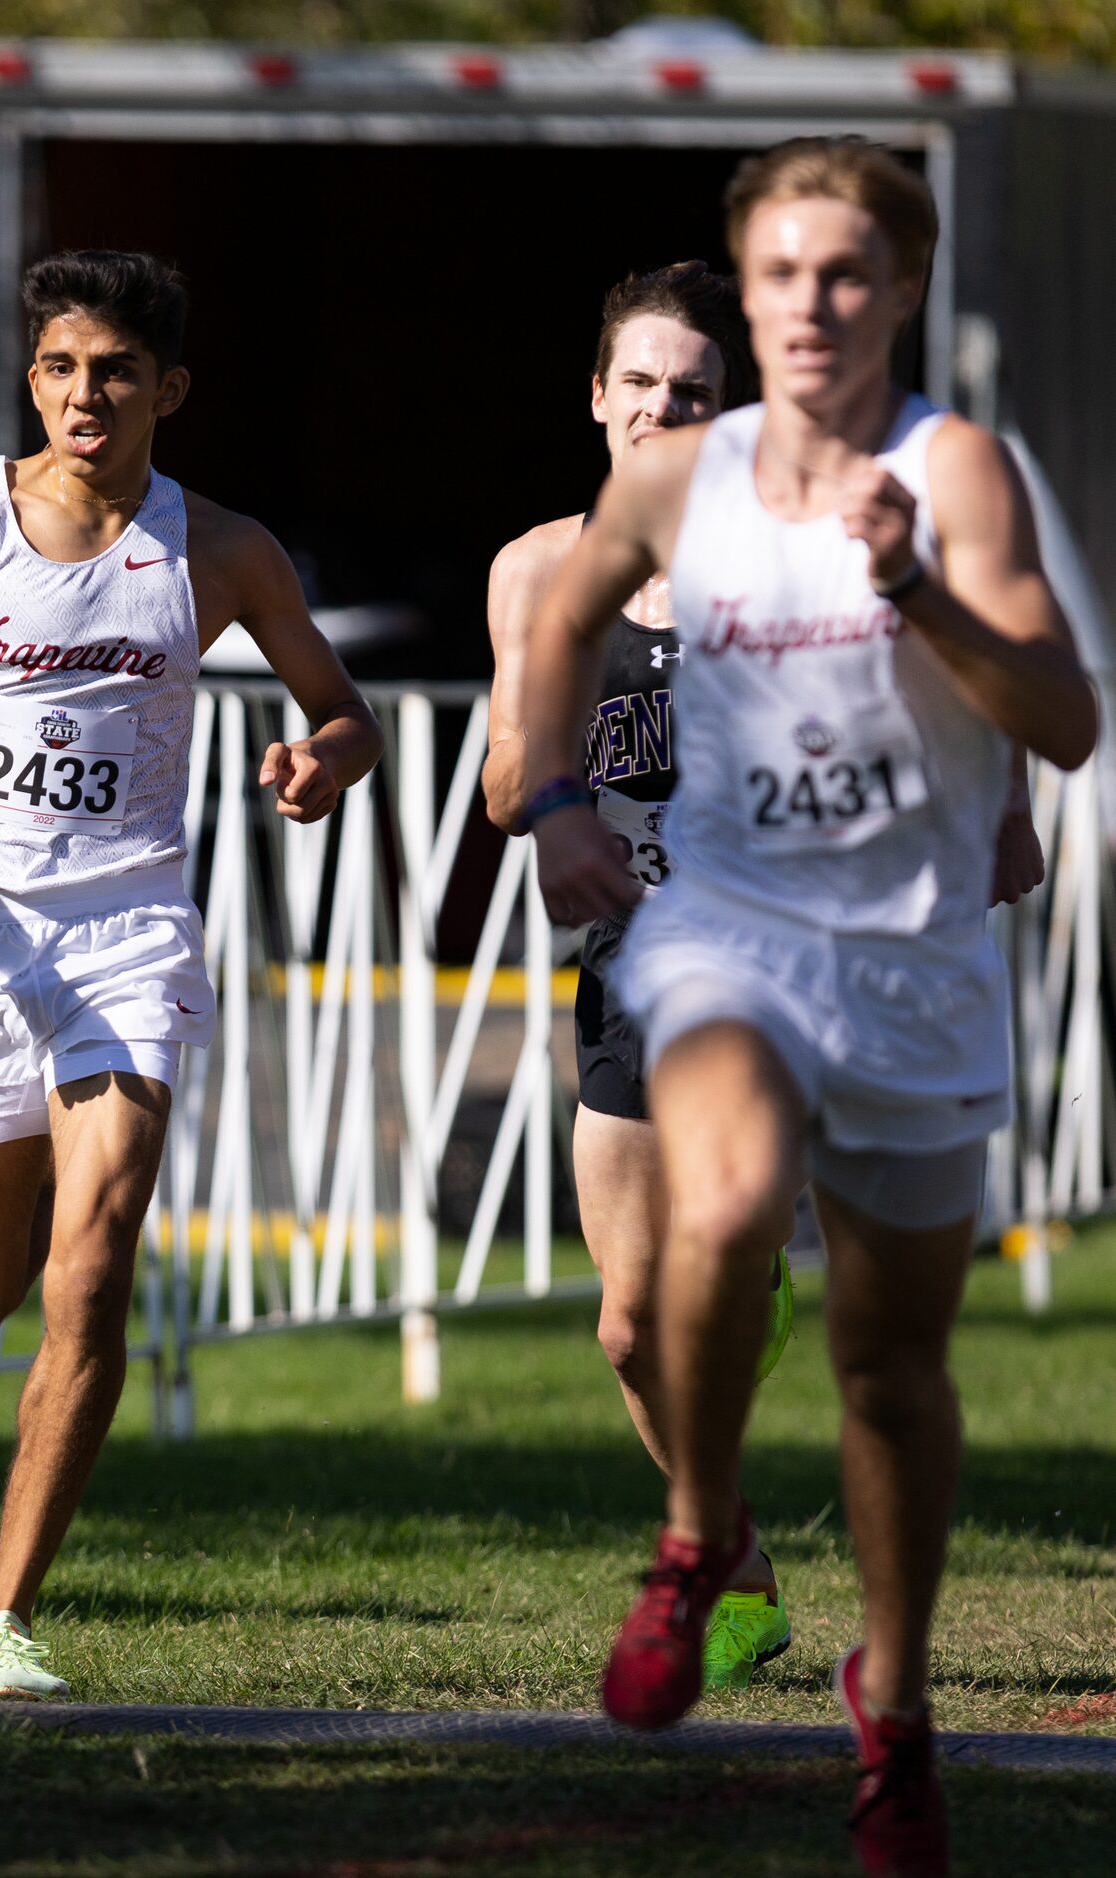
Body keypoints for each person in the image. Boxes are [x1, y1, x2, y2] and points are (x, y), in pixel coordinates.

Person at [521, 139, 1093, 1876]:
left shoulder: (955, 470)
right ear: (745, 288)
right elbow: (551, 621)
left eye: (844, 275)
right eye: (779, 275)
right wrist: (551, 806)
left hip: (909, 960)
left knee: (889, 1374)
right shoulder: (676, 481)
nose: (811, 305)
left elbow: (1059, 720)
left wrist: (913, 582)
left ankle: (893, 1702)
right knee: (709, 1196)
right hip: (728, 931)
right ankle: (698, 1533)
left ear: (900, 289)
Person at [0, 249, 382, 1699]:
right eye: (65, 368)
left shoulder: (217, 550)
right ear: (34, 380)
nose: (89, 394)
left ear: (169, 390)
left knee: (96, 1265)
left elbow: (346, 711)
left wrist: (313, 762)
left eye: (118, 371)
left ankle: (3, 1616)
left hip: (127, 936)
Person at [484, 262, 797, 1694]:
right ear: (597, 398)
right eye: (642, 385)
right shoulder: (541, 568)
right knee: (623, 1321)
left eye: (694, 391)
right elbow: (502, 782)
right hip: (628, 961)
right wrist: (545, 792)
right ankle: (727, 1551)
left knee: (705, 1264)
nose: (663, 408)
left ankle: (747, 1279)